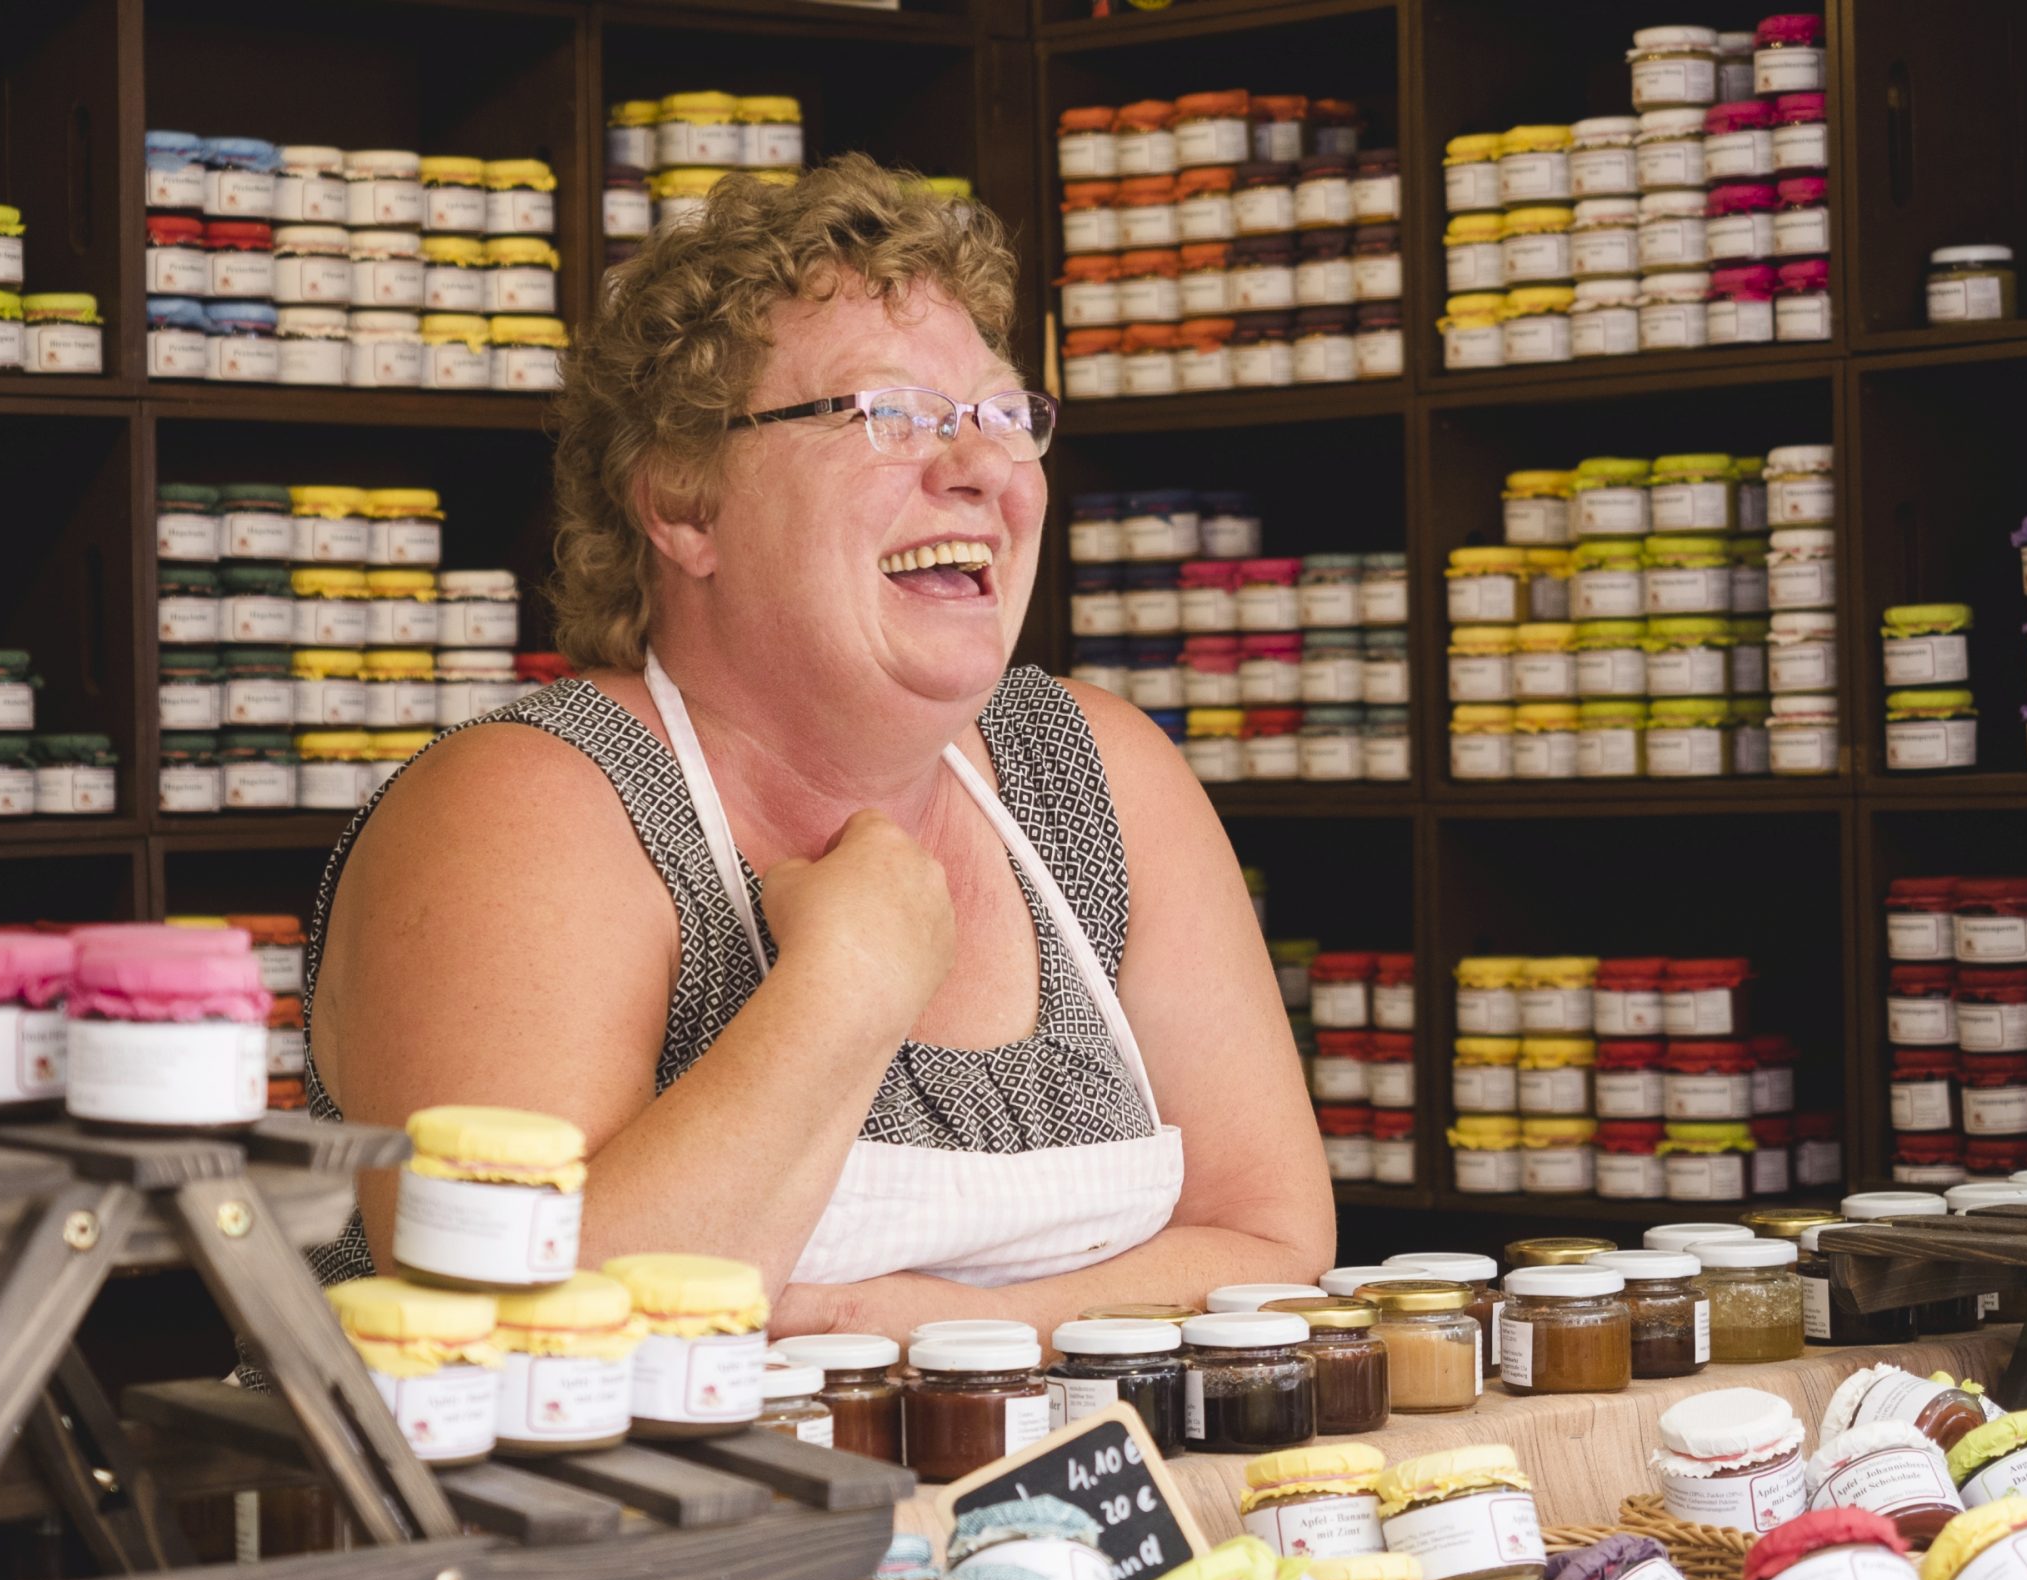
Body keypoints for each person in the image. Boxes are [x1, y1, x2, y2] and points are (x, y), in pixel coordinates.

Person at [304, 155, 1331, 1345]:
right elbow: (504, 1336)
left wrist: (916, 1327)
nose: (982, 468)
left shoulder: (1095, 775)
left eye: (1002, 415)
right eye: (889, 415)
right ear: (684, 505)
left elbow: (1272, 1242)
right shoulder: (523, 806)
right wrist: (846, 986)